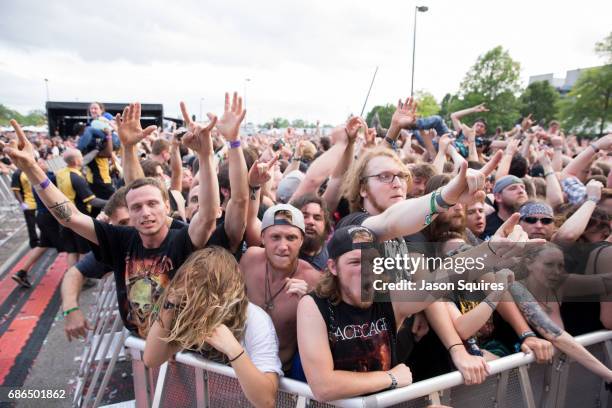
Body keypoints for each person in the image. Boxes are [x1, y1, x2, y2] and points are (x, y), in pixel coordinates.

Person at [4, 97, 227, 337]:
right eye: (137, 208)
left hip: (179, 344)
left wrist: (206, 156)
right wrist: (31, 168)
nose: (146, 213)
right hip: (139, 341)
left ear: (166, 206)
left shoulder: (181, 237)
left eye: (152, 204)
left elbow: (207, 214)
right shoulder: (122, 239)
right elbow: (69, 217)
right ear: (129, 213)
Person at [144, 247, 282, 408]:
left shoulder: (255, 320)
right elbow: (151, 359)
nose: (198, 302)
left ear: (230, 289)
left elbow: (267, 400)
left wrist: (233, 349)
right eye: (192, 289)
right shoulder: (188, 309)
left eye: (207, 293)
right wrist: (170, 302)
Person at [240, 204, 321, 371]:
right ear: (263, 238)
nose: (283, 246)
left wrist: (311, 304)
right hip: (236, 366)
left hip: (280, 376)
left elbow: (327, 340)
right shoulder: (249, 259)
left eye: (291, 238)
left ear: (301, 240)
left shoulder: (314, 280)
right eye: (275, 237)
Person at [481, 175, 528, 239]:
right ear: (498, 197)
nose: (521, 191)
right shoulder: (484, 224)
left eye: (523, 187)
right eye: (513, 188)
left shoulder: (533, 222)